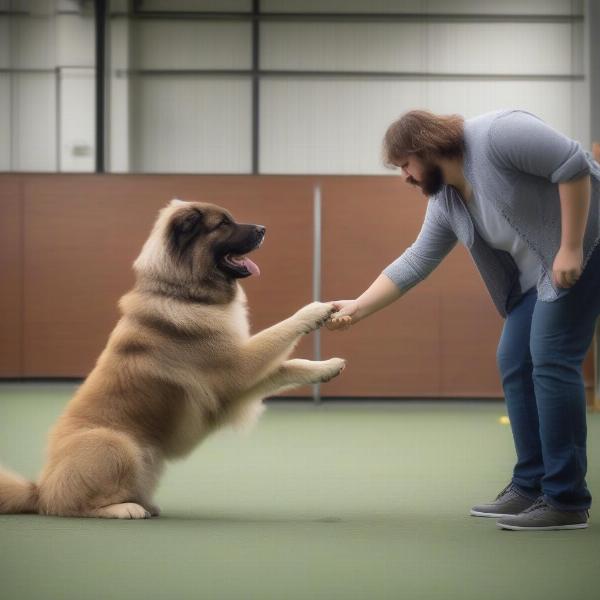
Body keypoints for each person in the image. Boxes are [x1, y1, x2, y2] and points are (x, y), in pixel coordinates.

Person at [326, 109, 600, 531]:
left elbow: (574, 164)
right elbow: (416, 260)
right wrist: (358, 307)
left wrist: (571, 246)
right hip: (543, 270)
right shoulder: (448, 199)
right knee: (514, 359)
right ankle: (530, 486)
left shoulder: (498, 134)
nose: (404, 177)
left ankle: (566, 499)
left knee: (550, 356)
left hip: (589, 244)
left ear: (426, 148)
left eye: (405, 165)